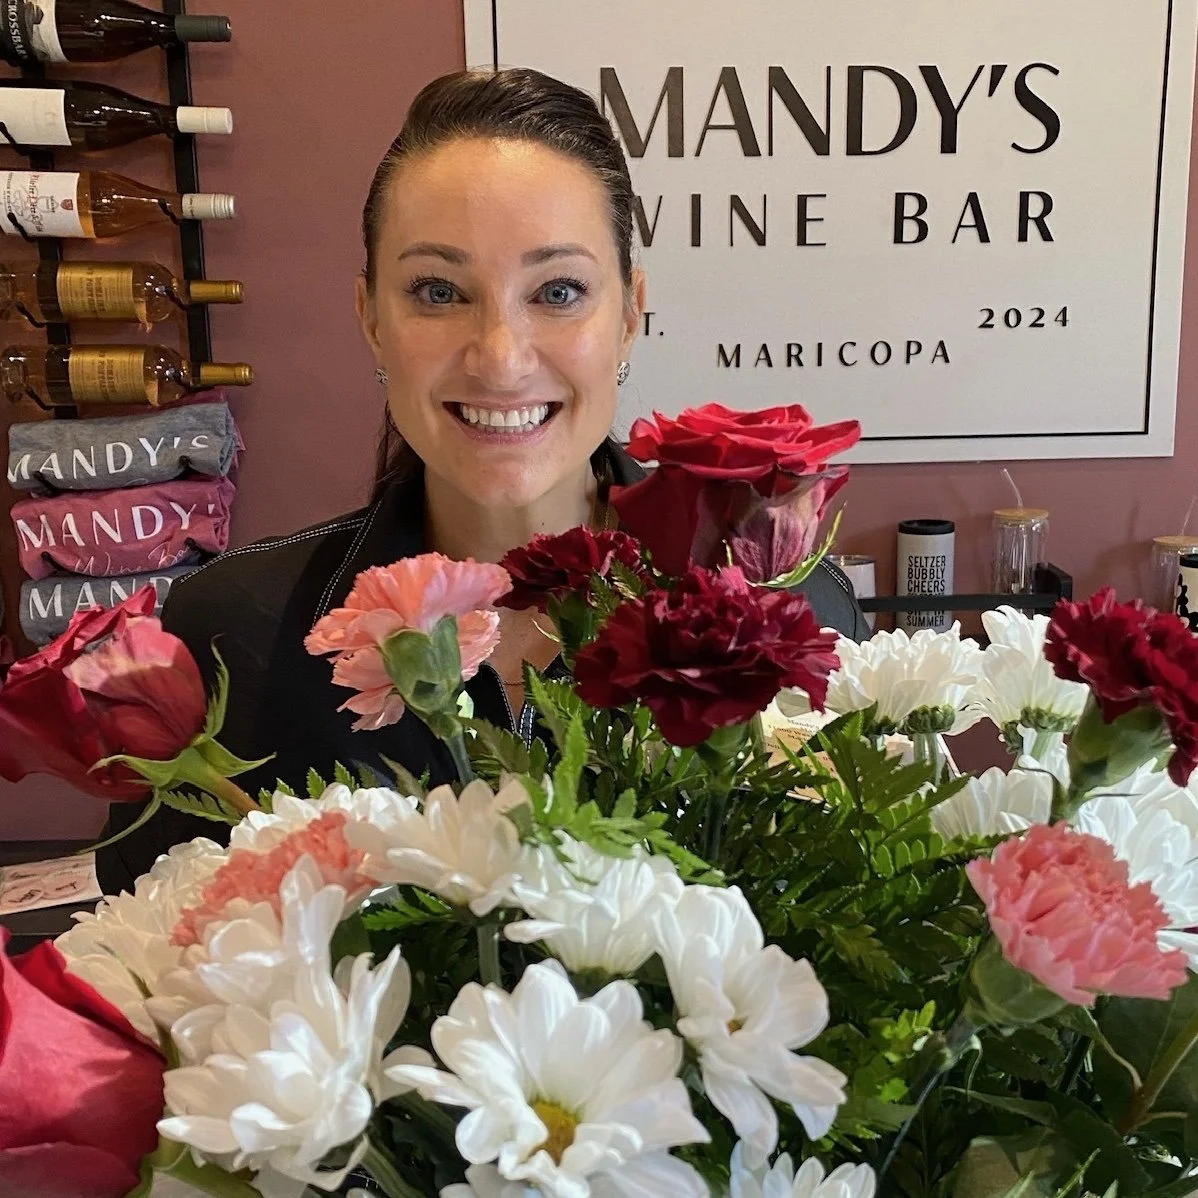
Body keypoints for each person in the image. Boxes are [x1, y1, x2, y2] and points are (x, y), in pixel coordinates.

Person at [96, 67, 868, 896]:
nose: (500, 356)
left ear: (630, 316)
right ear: (372, 320)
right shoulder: (227, 632)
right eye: (439, 291)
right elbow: (150, 985)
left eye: (559, 291)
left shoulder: (791, 611)